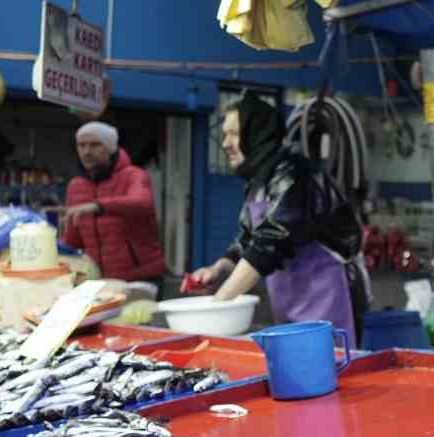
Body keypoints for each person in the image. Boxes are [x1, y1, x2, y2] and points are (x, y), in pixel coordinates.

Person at [186, 94, 367, 342]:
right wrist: (219, 269)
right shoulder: (259, 180)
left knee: (332, 369)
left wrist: (218, 305)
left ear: (257, 133)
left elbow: (268, 243)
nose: (226, 143)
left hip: (327, 301)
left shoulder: (293, 173)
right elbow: (247, 240)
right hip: (291, 304)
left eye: (234, 134)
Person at [58, 121, 166, 281]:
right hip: (99, 281)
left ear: (111, 148)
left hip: (140, 277)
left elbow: (141, 202)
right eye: (81, 145)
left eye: (95, 145)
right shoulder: (76, 186)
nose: (86, 151)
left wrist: (97, 206)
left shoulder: (134, 175)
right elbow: (74, 240)